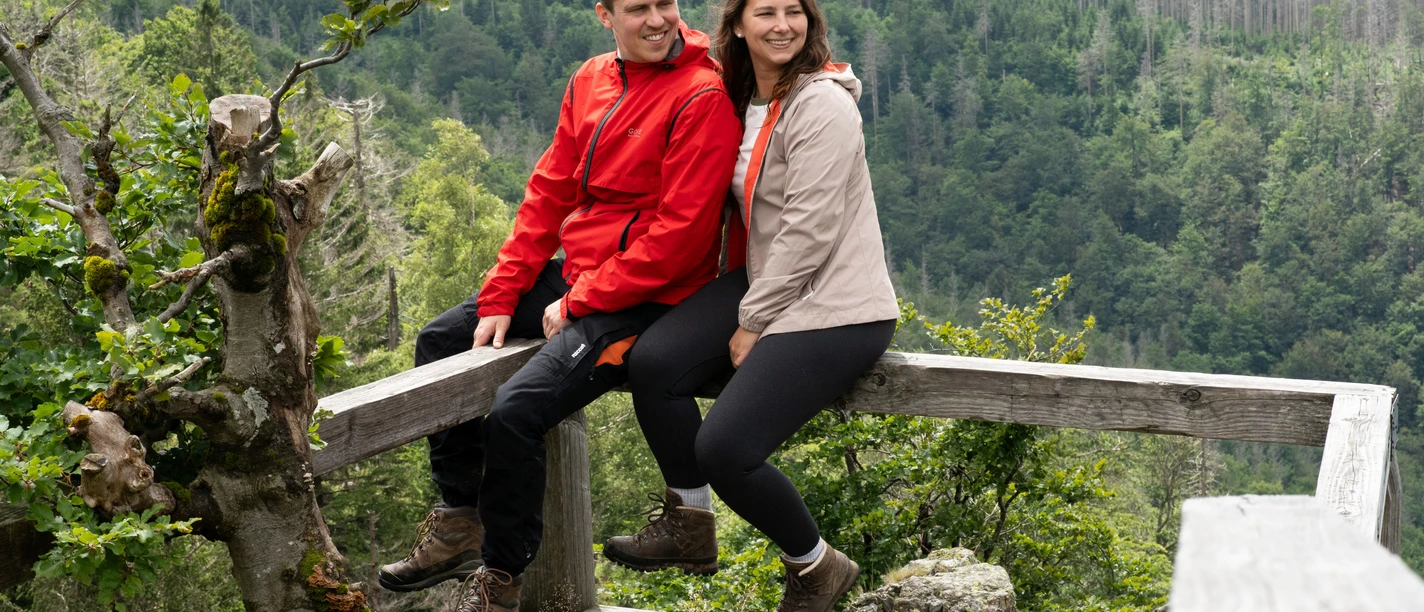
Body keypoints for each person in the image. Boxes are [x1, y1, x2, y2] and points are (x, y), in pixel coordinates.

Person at [375, 0, 740, 609]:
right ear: (605, 14)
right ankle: (460, 519)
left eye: (666, 4)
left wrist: (583, 299)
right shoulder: (592, 78)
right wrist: (503, 290)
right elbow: (548, 193)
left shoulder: (701, 95)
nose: (658, 20)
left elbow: (682, 237)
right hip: (580, 277)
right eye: (638, 8)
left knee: (516, 413)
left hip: (649, 297)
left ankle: (501, 577)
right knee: (442, 340)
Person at [600, 0, 899, 610]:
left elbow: (809, 230)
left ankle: (816, 567)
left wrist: (751, 322)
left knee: (726, 450)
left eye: (795, 12)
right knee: (654, 362)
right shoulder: (744, 94)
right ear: (736, 23)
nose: (783, 25)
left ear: (812, 23)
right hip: (771, 279)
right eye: (766, 12)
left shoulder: (822, 105)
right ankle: (689, 524)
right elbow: (668, 37)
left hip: (838, 303)